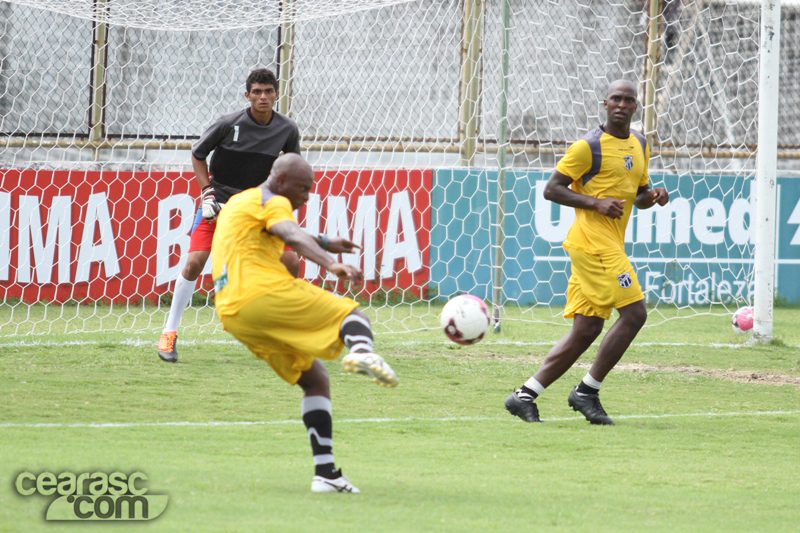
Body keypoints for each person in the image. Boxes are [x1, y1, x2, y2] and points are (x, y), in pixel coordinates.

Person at [211, 153, 398, 493]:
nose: (306, 196)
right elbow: (289, 232)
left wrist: (326, 241)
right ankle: (361, 352)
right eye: (303, 188)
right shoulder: (274, 200)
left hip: (232, 312)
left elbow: (279, 231)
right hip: (261, 294)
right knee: (352, 315)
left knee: (315, 378)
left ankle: (326, 474)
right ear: (280, 180)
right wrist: (331, 263)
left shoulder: (243, 201)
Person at [505, 79, 669, 425]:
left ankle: (524, 396)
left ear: (636, 106)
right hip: (593, 244)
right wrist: (594, 202)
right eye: (616, 99)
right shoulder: (588, 147)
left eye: (629, 100)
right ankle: (586, 392)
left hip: (608, 243)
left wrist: (652, 197)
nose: (622, 104)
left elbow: (637, 197)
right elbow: (552, 190)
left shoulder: (640, 143)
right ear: (605, 104)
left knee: (588, 329)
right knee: (635, 314)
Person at [158, 68, 301, 362]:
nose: (263, 97)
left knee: (290, 261)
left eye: (268, 91)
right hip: (218, 204)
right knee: (195, 262)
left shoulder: (287, 129)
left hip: (258, 208)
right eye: (257, 92)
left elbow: (291, 166)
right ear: (247, 95)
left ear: (277, 94)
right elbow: (198, 155)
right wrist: (206, 191)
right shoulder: (227, 124)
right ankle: (169, 332)